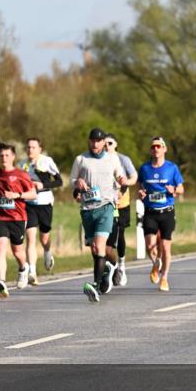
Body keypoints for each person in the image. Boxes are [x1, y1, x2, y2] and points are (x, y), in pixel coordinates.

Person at [70, 128, 127, 303]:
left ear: (104, 143)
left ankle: (95, 285)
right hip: (87, 209)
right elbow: (72, 183)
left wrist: (121, 188)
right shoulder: (81, 160)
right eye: (92, 140)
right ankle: (106, 272)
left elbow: (121, 179)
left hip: (106, 207)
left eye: (99, 141)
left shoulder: (112, 159)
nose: (95, 144)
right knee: (94, 248)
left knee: (100, 245)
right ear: (89, 141)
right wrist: (77, 185)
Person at [0, 143, 37, 297]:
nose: (4, 158)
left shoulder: (21, 174)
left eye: (7, 155)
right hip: (0, 217)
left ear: (13, 157)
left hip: (18, 217)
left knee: (17, 251)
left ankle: (23, 268)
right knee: (1, 246)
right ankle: (1, 281)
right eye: (1, 155)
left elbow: (33, 194)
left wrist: (18, 196)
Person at [137, 136, 184, 292]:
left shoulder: (172, 168)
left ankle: (164, 278)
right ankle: (156, 263)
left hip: (167, 212)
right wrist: (141, 193)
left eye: (159, 146)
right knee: (150, 245)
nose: (156, 149)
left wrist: (174, 190)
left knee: (165, 247)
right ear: (151, 150)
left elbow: (181, 188)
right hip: (150, 212)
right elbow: (140, 187)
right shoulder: (144, 168)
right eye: (153, 147)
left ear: (164, 149)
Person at [19, 137, 63, 285]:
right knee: (30, 238)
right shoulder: (22, 164)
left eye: (33, 147)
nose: (30, 150)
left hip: (45, 203)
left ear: (39, 149)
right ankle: (32, 271)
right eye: (28, 147)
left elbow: (59, 181)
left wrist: (42, 185)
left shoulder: (47, 161)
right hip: (29, 204)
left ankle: (47, 251)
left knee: (44, 238)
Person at [104, 134, 138, 286]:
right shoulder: (100, 160)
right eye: (104, 144)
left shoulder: (123, 159)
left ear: (116, 144)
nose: (107, 146)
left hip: (121, 203)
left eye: (110, 143)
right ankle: (110, 267)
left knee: (120, 233)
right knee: (107, 237)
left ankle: (122, 266)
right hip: (105, 203)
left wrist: (124, 185)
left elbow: (133, 177)